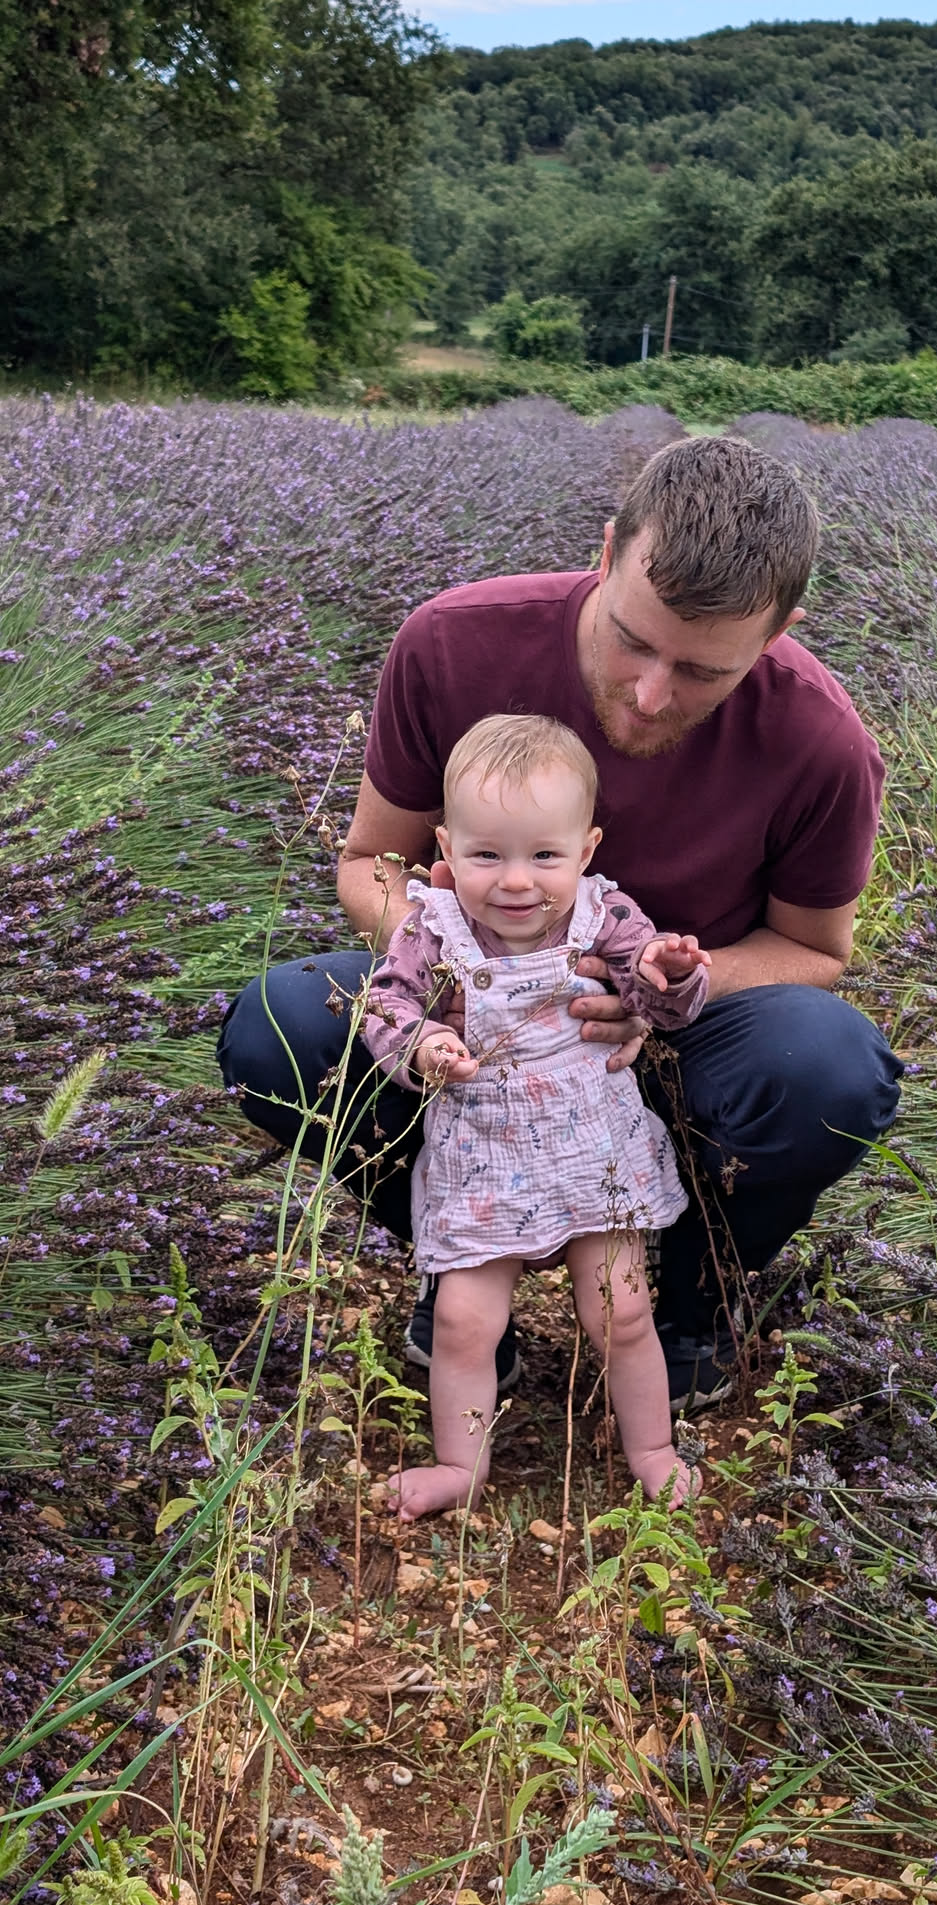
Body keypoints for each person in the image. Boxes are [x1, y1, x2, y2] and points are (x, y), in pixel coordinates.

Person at [218, 434, 902, 1410]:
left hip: (680, 1038)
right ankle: (466, 1255)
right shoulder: (453, 643)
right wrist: (449, 967)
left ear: (779, 630)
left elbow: (813, 949)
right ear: (607, 550)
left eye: (702, 671)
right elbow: (373, 862)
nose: (651, 694)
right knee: (279, 1026)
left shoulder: (820, 739)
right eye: (634, 640)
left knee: (831, 1068)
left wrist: (663, 985)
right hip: (473, 1027)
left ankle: (693, 1293)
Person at [362, 714, 707, 1518]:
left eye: (544, 856)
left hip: (591, 1147)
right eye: (487, 855)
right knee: (462, 1321)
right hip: (484, 1153)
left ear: (585, 850)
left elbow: (662, 1005)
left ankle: (652, 1447)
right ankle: (460, 1463)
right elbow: (384, 1003)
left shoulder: (606, 916)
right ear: (446, 848)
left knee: (621, 1310)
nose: (516, 881)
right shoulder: (433, 926)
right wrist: (424, 1043)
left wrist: (671, 976)